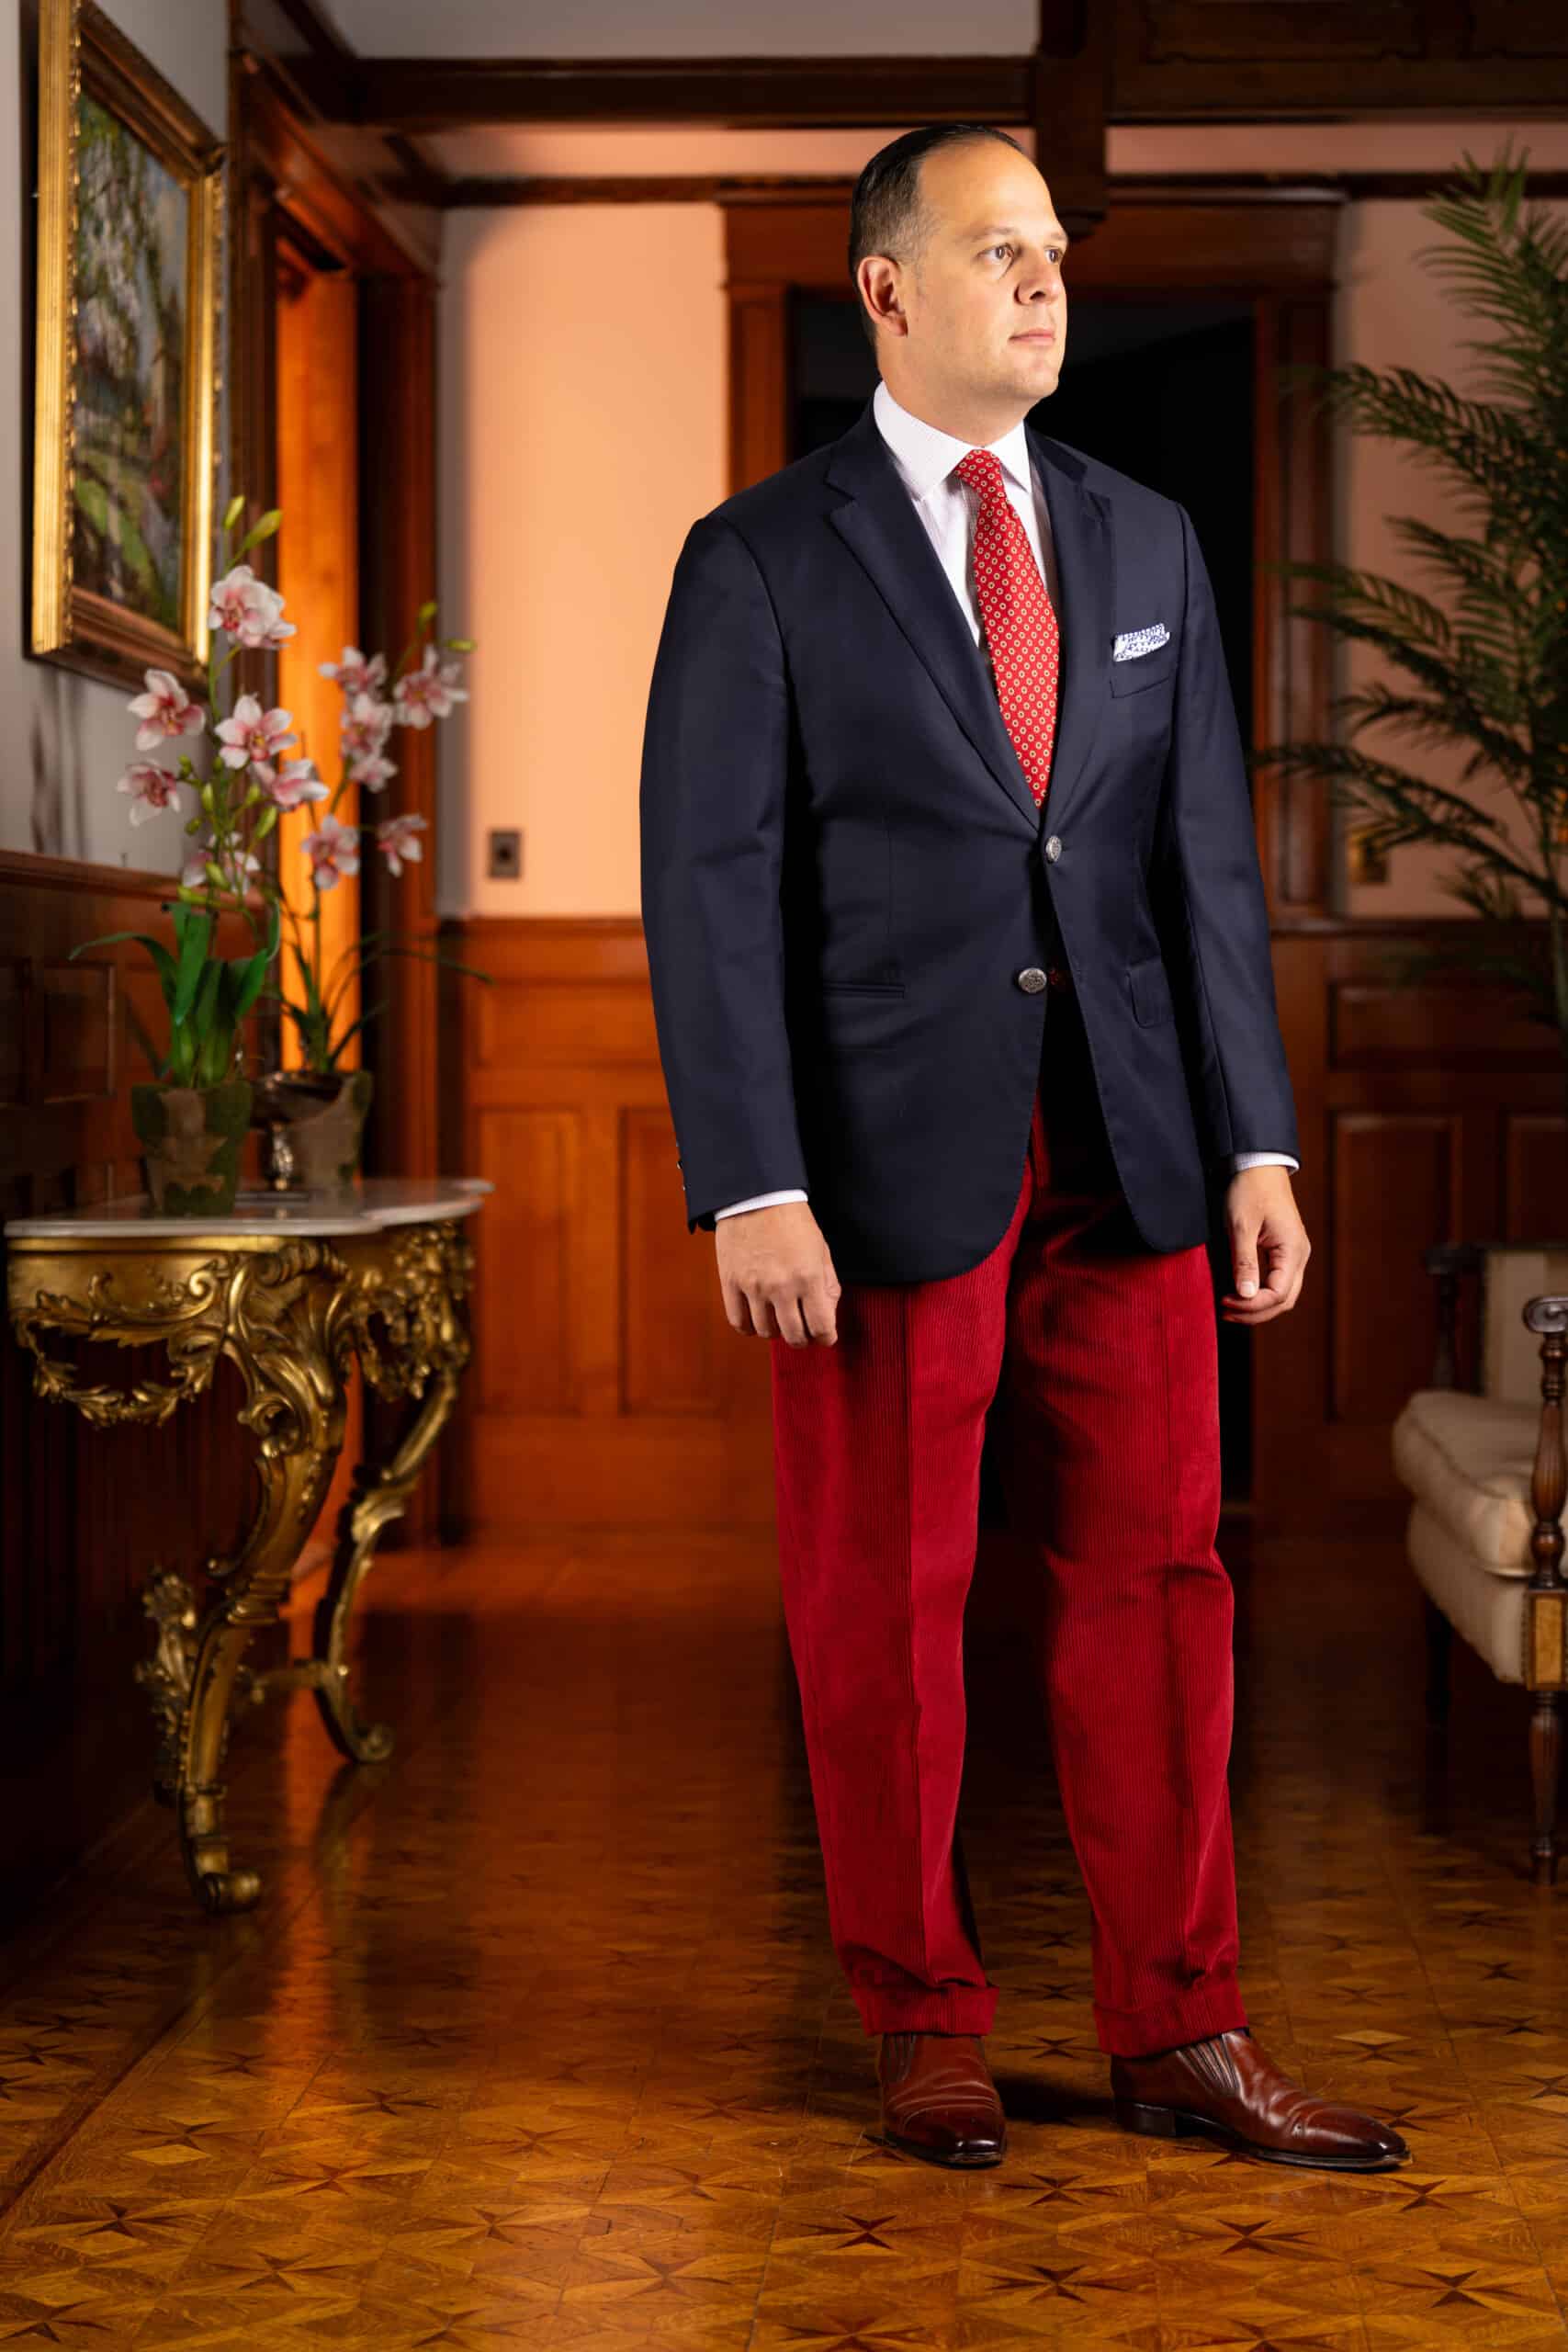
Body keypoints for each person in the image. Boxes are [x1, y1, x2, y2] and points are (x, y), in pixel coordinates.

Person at [639, 121, 1407, 2176]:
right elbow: (708, 886)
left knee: (1157, 1585)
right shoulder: (760, 557)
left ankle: (1181, 2020)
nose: (1043, 282)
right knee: (882, 1594)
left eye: (1053, 251)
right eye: (995, 251)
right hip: (878, 1170)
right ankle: (922, 2012)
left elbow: (1195, 877)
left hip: (1136, 1154)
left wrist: (1258, 1137)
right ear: (883, 289)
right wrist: (752, 1177)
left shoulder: (1143, 541)